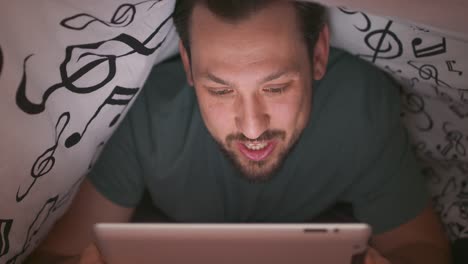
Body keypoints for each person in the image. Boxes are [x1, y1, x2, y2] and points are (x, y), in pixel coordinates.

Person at [29, 0, 451, 263]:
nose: (252, 127)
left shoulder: (358, 105)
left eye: (276, 87)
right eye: (220, 89)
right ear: (189, 67)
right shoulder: (147, 113)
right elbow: (56, 253)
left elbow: (424, 248)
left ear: (318, 55)